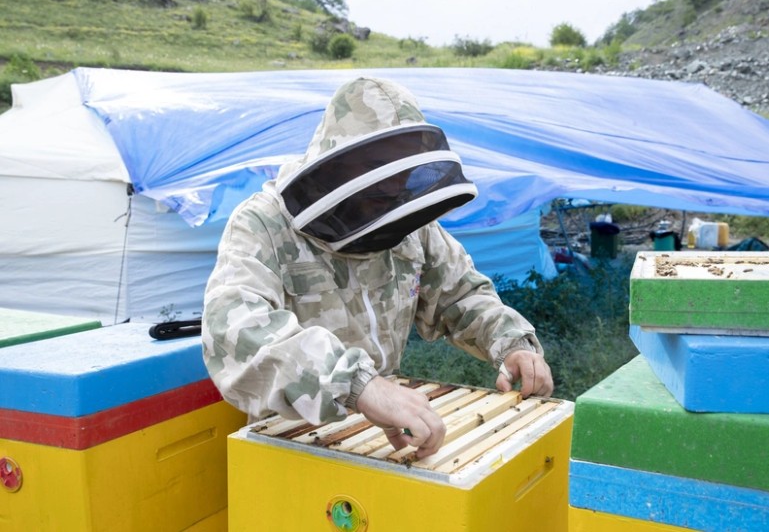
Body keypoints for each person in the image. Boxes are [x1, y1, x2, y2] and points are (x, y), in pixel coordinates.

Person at [202, 77, 553, 459]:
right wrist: (357, 385)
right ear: (339, 165)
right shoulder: (262, 225)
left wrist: (511, 342)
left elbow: (461, 295)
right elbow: (234, 331)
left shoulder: (408, 226)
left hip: (388, 436)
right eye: (377, 171)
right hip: (288, 440)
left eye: (398, 176)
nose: (390, 189)